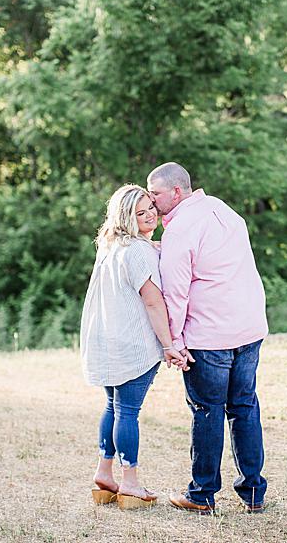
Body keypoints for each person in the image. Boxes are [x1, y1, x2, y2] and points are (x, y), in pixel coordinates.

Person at [147, 162, 269, 514]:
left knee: (207, 410)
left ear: (175, 192)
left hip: (210, 335)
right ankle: (254, 492)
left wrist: (175, 342)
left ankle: (201, 494)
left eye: (155, 193)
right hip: (248, 328)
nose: (151, 201)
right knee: (244, 407)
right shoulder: (222, 210)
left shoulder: (181, 229)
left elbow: (175, 294)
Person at [79, 184, 187, 510]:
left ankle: (104, 475)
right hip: (133, 344)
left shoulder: (111, 247)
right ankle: (130, 483)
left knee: (113, 408)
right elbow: (153, 302)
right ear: (127, 216)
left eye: (151, 207)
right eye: (140, 213)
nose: (150, 214)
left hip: (107, 339)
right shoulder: (138, 251)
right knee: (128, 412)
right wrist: (169, 345)